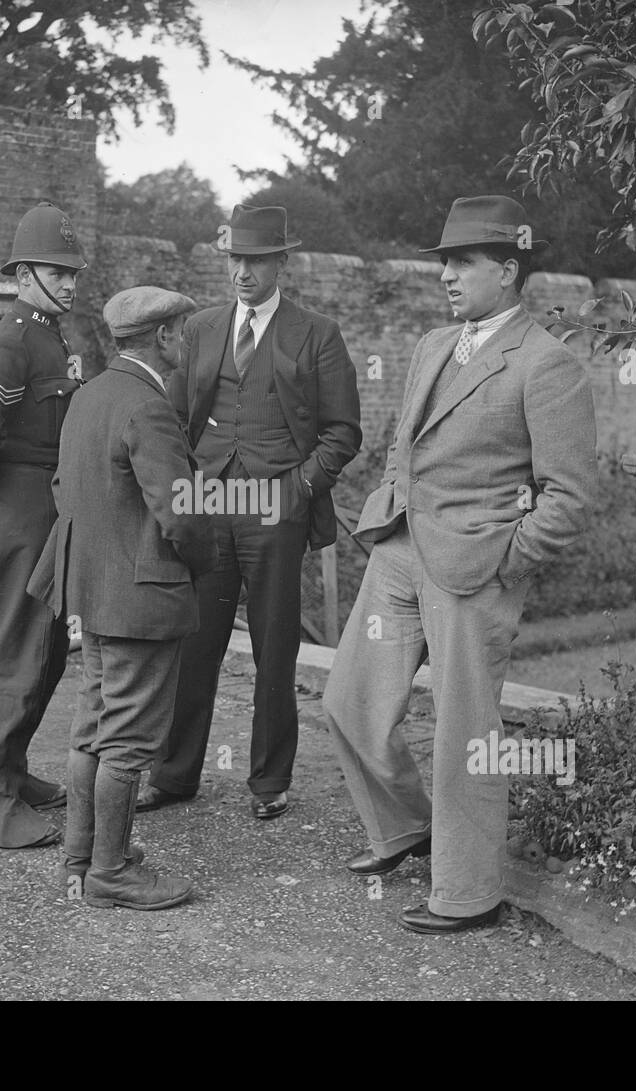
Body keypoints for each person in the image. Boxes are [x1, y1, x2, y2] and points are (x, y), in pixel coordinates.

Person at [323, 195, 598, 934]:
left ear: (508, 271)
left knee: (464, 731)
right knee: (348, 700)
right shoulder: (433, 345)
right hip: (401, 547)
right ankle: (406, 828)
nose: (447, 274)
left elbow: (569, 496)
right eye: (444, 260)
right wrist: (391, 501)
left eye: (463, 262)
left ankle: (470, 891)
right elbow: (402, 441)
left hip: (475, 566)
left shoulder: (548, 364)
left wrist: (508, 558)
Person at [138, 204, 362, 821]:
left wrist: (299, 490)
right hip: (210, 506)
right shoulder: (203, 328)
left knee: (274, 648)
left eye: (255, 259)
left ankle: (269, 782)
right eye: (235, 259)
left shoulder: (316, 333)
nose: (242, 270)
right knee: (195, 644)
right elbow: (174, 415)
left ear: (280, 262)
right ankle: (175, 774)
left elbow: (343, 432)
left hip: (275, 511)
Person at [28, 286, 216, 910]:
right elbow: (181, 515)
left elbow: (63, 489)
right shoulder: (148, 406)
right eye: (181, 332)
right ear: (161, 338)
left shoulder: (89, 396)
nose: (184, 341)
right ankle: (111, 871)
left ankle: (80, 859)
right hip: (140, 597)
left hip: (90, 590)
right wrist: (200, 565)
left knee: (94, 726)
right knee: (129, 739)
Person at [0, 201, 87, 850]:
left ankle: (11, 770)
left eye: (72, 272)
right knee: (11, 654)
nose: (68, 282)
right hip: (18, 511)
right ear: (23, 273)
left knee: (48, 651)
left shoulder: (52, 338)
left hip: (50, 512)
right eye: (56, 271)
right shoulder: (6, 343)